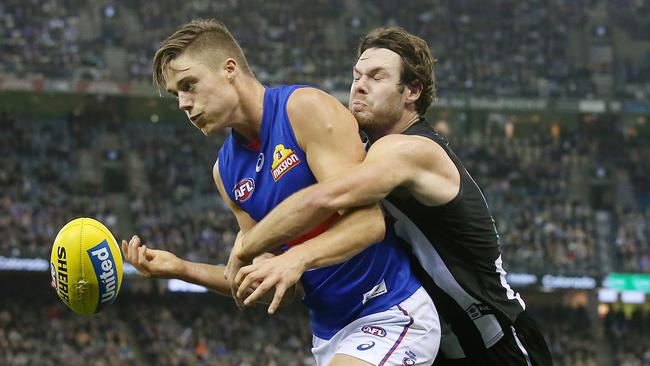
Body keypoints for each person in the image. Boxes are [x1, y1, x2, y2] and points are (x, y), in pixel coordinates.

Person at [122, 19, 440, 366]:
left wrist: (297, 257)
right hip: (329, 336)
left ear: (229, 69)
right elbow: (279, 288)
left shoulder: (304, 110)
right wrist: (181, 268)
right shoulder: (225, 172)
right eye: (177, 94)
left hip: (388, 312)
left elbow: (369, 224)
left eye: (189, 85)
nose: (183, 103)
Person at [232, 26, 553, 366]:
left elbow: (322, 199)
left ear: (412, 90)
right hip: (440, 347)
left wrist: (246, 246)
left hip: (499, 343)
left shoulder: (409, 149)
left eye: (376, 76)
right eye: (356, 75)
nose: (359, 85)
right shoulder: (368, 152)